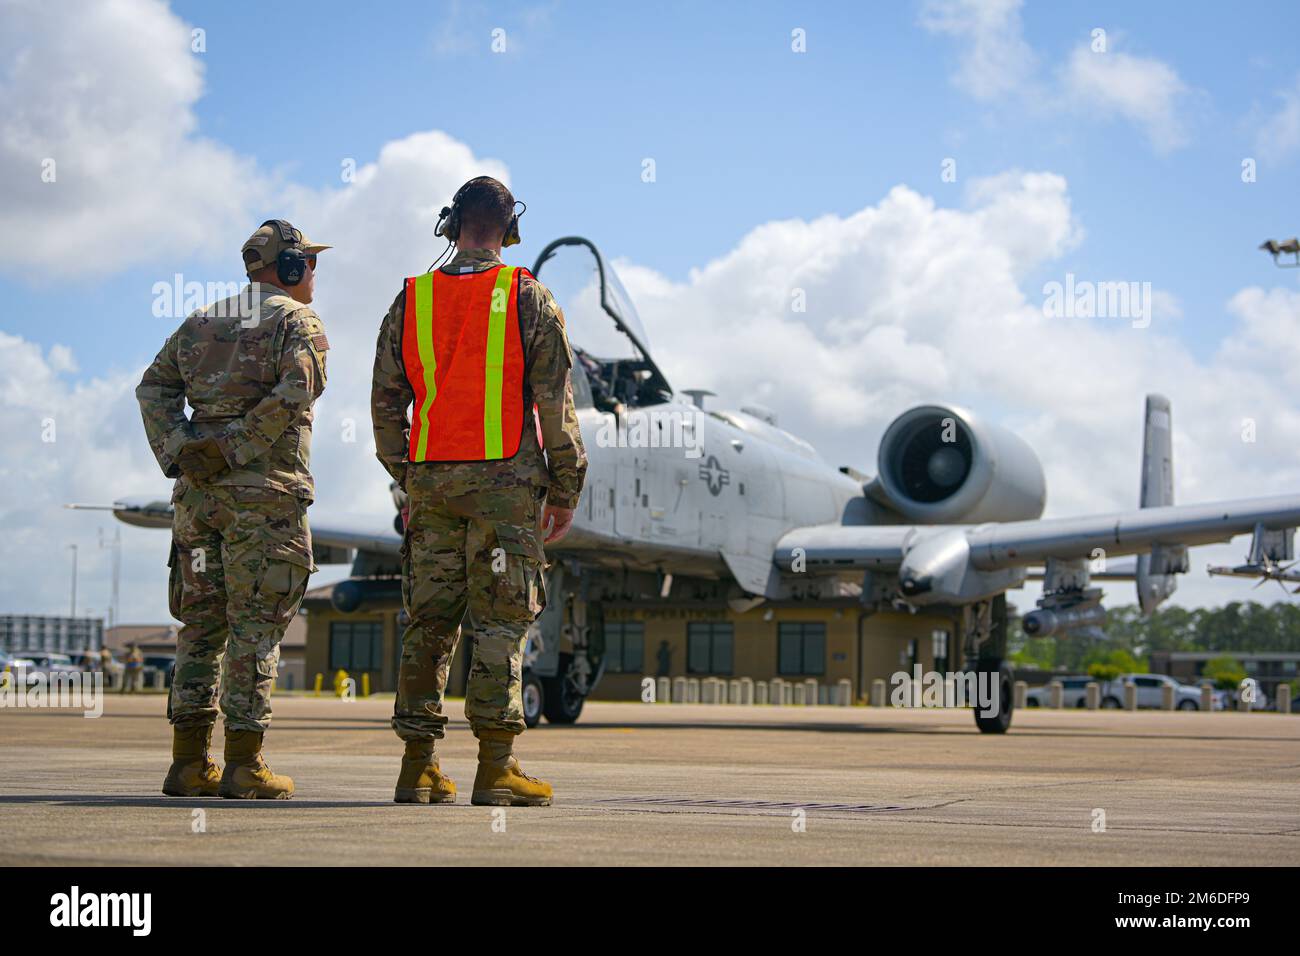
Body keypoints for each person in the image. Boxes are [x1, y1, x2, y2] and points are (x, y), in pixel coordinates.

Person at [371, 176, 587, 806]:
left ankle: (418, 768)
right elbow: (555, 403)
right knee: (498, 624)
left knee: (429, 625)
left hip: (432, 488)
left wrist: (406, 475)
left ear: (451, 225)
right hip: (506, 491)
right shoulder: (528, 298)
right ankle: (496, 770)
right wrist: (565, 486)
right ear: (509, 228)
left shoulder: (411, 300)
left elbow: (386, 402)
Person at [136, 219, 330, 799]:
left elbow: (153, 389)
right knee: (256, 628)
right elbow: (298, 391)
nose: (315, 273)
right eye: (310, 262)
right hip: (263, 500)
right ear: (291, 266)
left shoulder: (199, 322)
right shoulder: (298, 321)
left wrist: (180, 449)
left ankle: (188, 764)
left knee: (200, 627)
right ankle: (245, 765)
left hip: (198, 502)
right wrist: (233, 449)